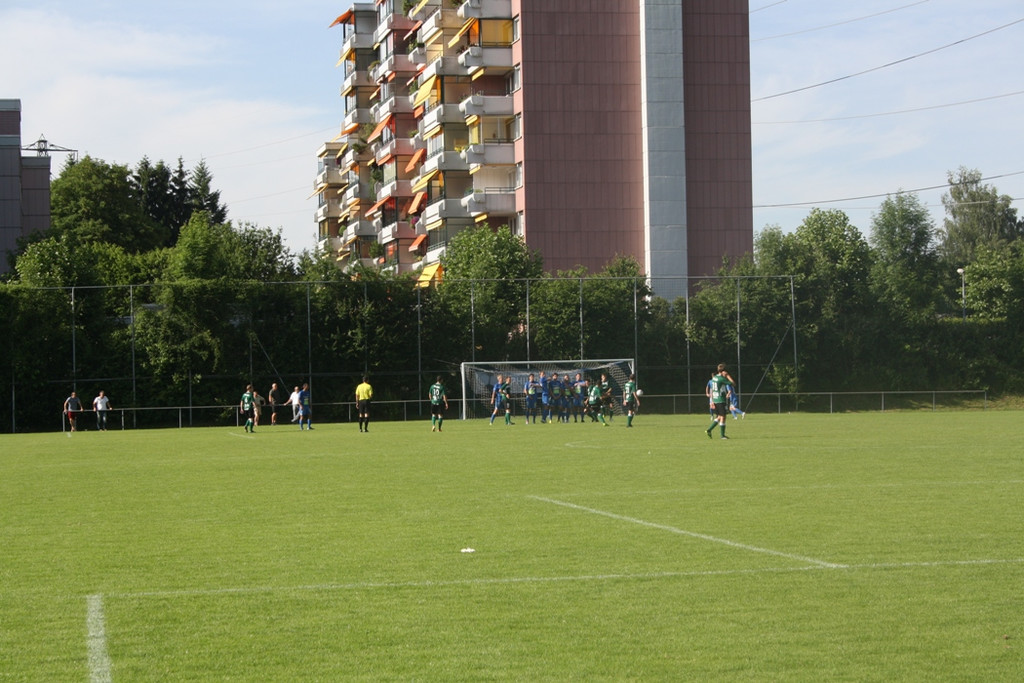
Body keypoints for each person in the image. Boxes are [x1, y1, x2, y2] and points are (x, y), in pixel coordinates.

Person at [706, 366, 734, 439]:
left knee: (719, 416)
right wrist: (728, 376)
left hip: (715, 399)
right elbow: (733, 383)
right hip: (720, 400)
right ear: (723, 371)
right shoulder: (722, 379)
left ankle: (709, 430)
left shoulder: (714, 378)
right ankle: (722, 436)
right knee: (723, 416)